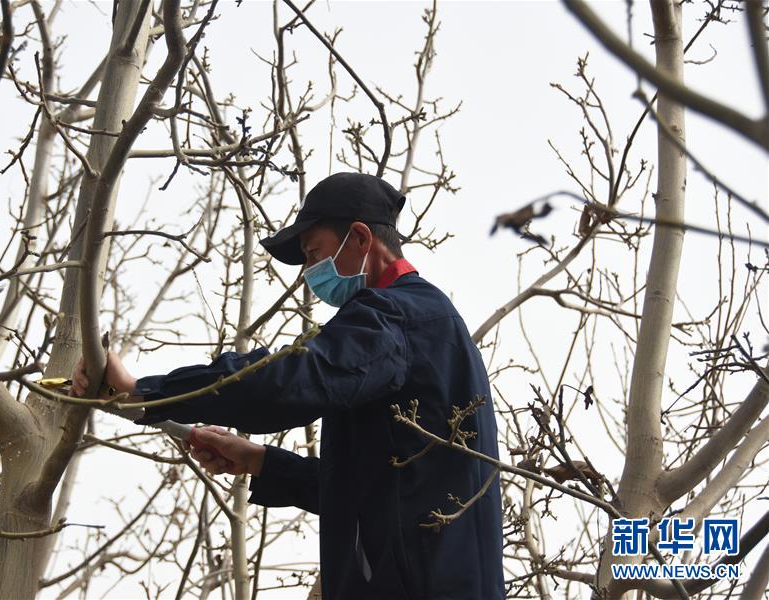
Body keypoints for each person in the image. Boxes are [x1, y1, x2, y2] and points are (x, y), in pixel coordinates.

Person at [72, 172, 506, 600]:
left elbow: (288, 381)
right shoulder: (429, 324)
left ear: (359, 238)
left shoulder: (395, 317)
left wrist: (149, 392)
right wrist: (261, 461)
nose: (310, 274)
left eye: (314, 254)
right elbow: (376, 495)